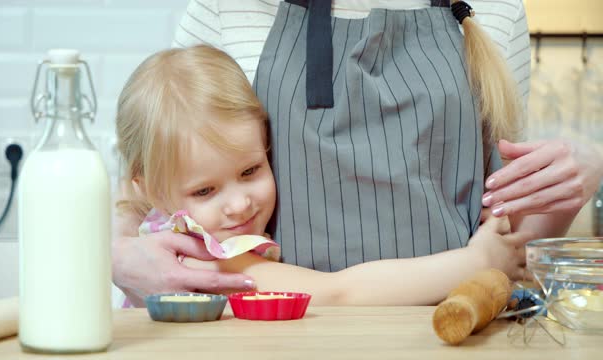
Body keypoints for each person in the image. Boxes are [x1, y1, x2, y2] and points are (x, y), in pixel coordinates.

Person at [112, 0, 603, 304]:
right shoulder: (228, 8)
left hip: (457, 333)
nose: (238, 203)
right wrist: (115, 257)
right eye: (207, 190)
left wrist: (586, 171)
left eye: (250, 170)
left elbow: (507, 221)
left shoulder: (495, 9)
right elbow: (146, 178)